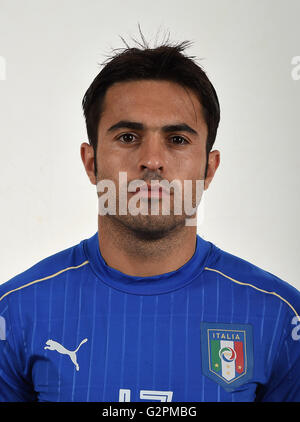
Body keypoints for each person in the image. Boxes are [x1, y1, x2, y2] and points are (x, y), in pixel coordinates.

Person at [0, 38, 299, 403]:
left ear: (210, 167)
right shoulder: (15, 313)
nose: (152, 161)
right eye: (128, 137)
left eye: (177, 139)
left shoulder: (281, 317)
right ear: (91, 162)